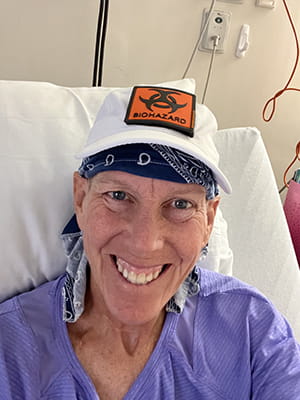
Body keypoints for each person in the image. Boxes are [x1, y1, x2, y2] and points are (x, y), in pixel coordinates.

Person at [0, 81, 299, 400]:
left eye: (181, 204)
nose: (145, 243)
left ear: (209, 220)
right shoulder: (11, 353)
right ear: (81, 198)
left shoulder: (252, 333)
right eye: (118, 196)